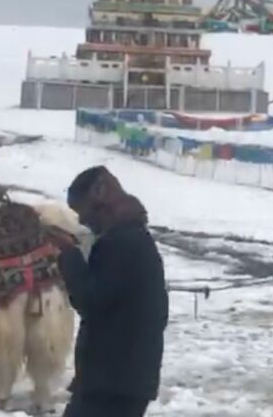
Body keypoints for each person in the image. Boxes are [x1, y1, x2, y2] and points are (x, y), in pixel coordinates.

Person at [54, 165, 167, 417]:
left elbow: (90, 301)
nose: (82, 220)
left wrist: (69, 257)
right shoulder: (132, 238)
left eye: (81, 210)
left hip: (112, 384)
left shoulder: (123, 242)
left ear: (100, 198)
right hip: (121, 380)